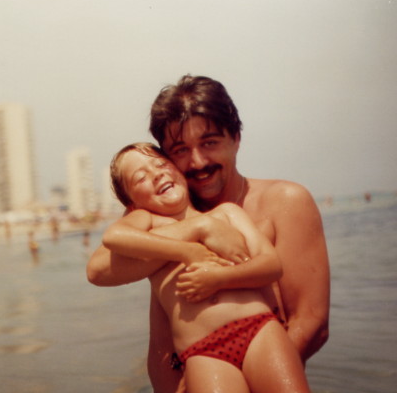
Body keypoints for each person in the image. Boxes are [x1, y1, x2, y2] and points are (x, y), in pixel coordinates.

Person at [86, 75, 330, 392]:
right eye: (180, 149)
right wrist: (200, 228)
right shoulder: (156, 216)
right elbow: (99, 270)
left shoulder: (283, 201)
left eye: (210, 142)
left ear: (236, 138)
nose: (198, 161)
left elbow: (310, 321)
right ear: (168, 157)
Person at [102, 142, 310, 392]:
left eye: (161, 164)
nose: (155, 174)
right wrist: (186, 251)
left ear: (179, 171)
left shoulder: (226, 213)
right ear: (132, 205)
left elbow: (271, 265)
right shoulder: (147, 226)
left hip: (258, 328)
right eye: (140, 178)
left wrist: (219, 278)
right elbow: (114, 236)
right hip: (203, 351)